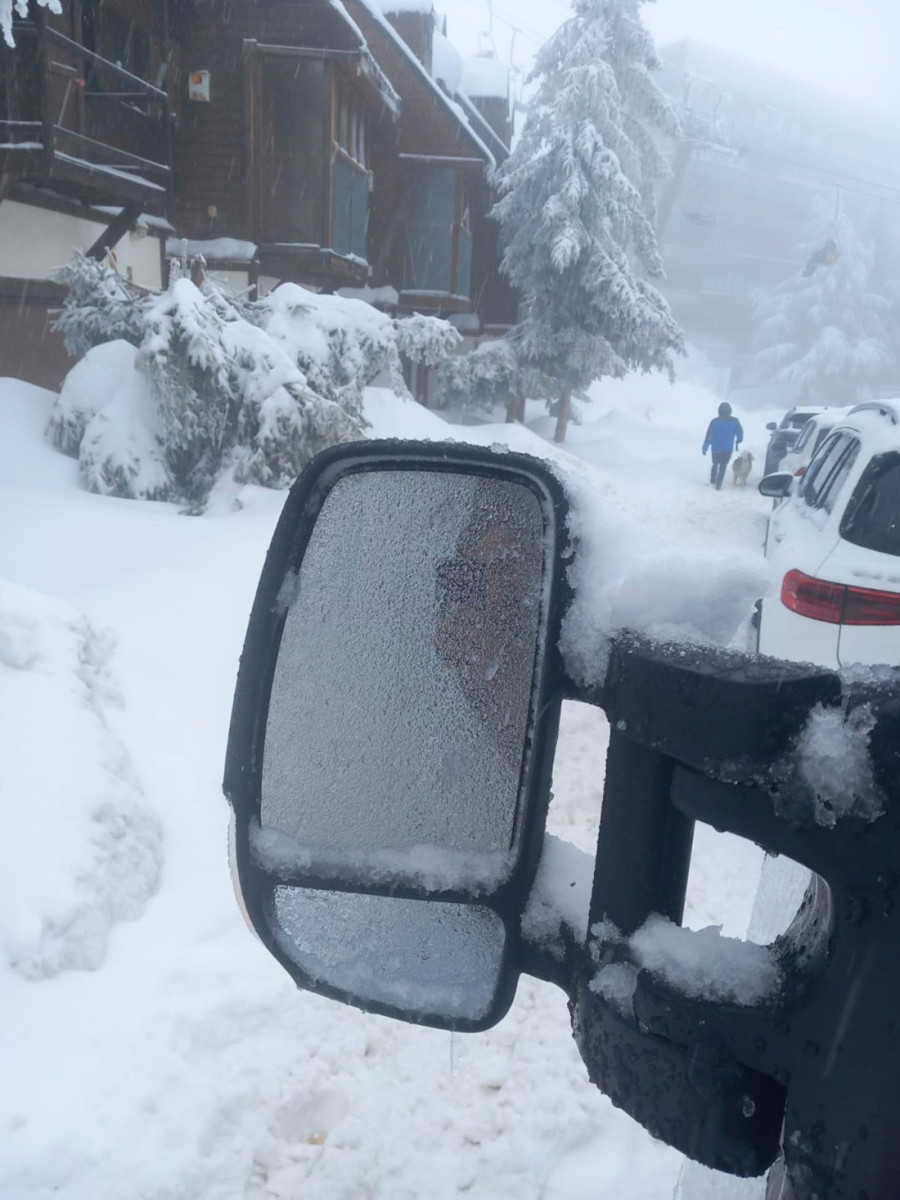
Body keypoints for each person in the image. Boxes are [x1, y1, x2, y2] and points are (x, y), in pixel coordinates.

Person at [702, 401, 744, 490]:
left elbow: (709, 435)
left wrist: (705, 447)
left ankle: (713, 480)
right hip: (727, 449)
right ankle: (718, 484)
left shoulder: (714, 421)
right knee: (723, 466)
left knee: (715, 464)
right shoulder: (735, 421)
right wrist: (738, 441)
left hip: (716, 449)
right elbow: (740, 433)